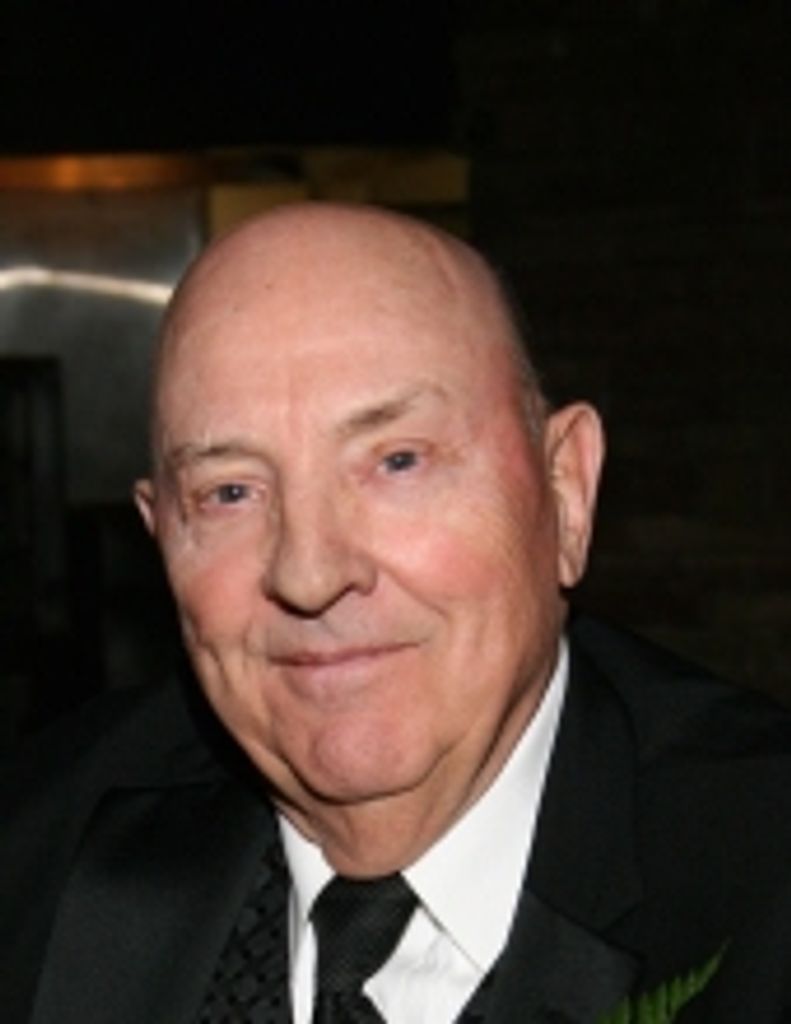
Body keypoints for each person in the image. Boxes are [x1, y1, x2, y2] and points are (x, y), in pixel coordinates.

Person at [2, 202, 791, 1024]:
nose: (309, 574)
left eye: (398, 461)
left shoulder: (763, 882)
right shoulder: (35, 852)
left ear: (564, 493)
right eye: (230, 492)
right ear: (160, 535)